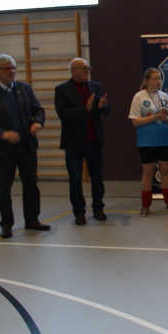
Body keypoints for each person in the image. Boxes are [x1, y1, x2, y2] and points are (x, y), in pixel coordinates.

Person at [0, 54, 50, 238]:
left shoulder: (24, 88)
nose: (12, 71)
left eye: (14, 67)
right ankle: (7, 224)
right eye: (8, 68)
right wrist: (2, 134)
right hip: (2, 148)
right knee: (3, 188)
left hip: (26, 145)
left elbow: (38, 110)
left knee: (31, 185)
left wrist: (38, 122)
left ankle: (32, 219)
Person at [54, 58, 111, 226]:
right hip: (73, 142)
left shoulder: (96, 86)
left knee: (97, 178)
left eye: (88, 67)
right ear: (74, 71)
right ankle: (79, 212)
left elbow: (106, 110)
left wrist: (102, 106)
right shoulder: (62, 89)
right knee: (75, 179)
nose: (87, 70)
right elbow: (63, 114)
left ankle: (98, 208)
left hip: (94, 140)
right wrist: (84, 109)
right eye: (84, 68)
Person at [128, 68, 168, 217]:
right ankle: (145, 205)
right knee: (148, 172)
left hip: (164, 139)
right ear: (147, 81)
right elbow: (135, 121)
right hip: (146, 140)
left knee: (165, 171)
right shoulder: (139, 96)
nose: (158, 81)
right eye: (155, 79)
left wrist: (165, 117)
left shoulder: (164, 96)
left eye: (160, 78)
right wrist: (154, 118)